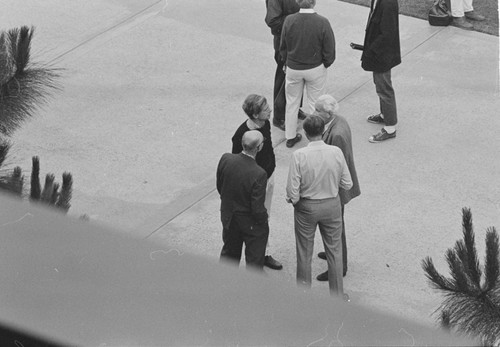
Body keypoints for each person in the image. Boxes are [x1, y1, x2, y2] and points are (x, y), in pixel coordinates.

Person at [286, 115, 352, 299]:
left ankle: (304, 297)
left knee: (304, 252)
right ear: (323, 131)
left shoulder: (299, 156)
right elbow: (347, 183)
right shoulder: (336, 152)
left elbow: (292, 190)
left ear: (306, 134)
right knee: (334, 251)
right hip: (331, 205)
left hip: (306, 207)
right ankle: (337, 296)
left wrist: (297, 201)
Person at [231, 94, 283, 270]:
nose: (270, 110)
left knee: (265, 216)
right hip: (255, 184)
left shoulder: (265, 123)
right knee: (256, 219)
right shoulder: (242, 135)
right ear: (254, 115)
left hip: (269, 176)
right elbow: (238, 162)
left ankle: (264, 253)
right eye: (265, 109)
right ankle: (256, 257)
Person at [313, 95, 361, 282]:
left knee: (335, 229)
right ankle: (332, 254)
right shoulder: (338, 121)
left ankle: (339, 267)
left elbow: (335, 167)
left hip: (334, 190)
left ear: (328, 113)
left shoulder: (337, 134)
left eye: (318, 110)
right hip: (334, 188)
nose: (314, 113)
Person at [280, 0, 335, 148]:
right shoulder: (322, 22)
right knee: (315, 104)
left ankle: (290, 136)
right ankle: (315, 136)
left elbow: (283, 45)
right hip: (315, 68)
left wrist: (286, 62)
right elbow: (329, 48)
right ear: (314, 2)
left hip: (293, 68)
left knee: (292, 102)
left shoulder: (289, 20)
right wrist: (326, 63)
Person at [217, 130, 269, 270]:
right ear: (259, 148)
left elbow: (220, 186)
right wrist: (263, 219)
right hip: (249, 222)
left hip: (230, 216)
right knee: (254, 261)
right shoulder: (259, 173)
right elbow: (257, 207)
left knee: (229, 255)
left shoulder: (226, 159)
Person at [360, 0, 401, 143]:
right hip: (378, 53)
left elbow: (387, 34)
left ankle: (390, 128)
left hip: (382, 55)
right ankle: (385, 115)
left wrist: (371, 50)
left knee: (384, 88)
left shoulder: (387, 3)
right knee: (380, 86)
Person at [264, 0, 302, 131]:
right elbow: (272, 21)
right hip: (284, 44)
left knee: (298, 76)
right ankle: (279, 117)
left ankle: (296, 109)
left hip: (299, 39)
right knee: (283, 79)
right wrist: (298, 18)